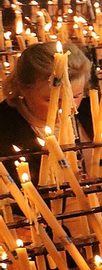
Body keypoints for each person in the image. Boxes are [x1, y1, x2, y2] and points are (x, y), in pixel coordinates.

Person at [0, 42, 93, 175]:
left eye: (76, 96)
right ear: (23, 89)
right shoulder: (4, 129)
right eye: (52, 99)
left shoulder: (93, 110)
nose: (67, 107)